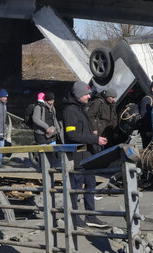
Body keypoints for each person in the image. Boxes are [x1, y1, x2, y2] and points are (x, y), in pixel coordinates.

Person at [61, 81, 109, 228]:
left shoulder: (80, 108)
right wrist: (94, 139)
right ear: (78, 95)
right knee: (75, 187)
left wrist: (92, 135)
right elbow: (72, 134)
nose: (89, 96)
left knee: (90, 185)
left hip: (86, 155)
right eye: (86, 94)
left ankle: (91, 216)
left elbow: (81, 132)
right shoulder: (70, 111)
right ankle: (74, 216)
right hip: (77, 156)